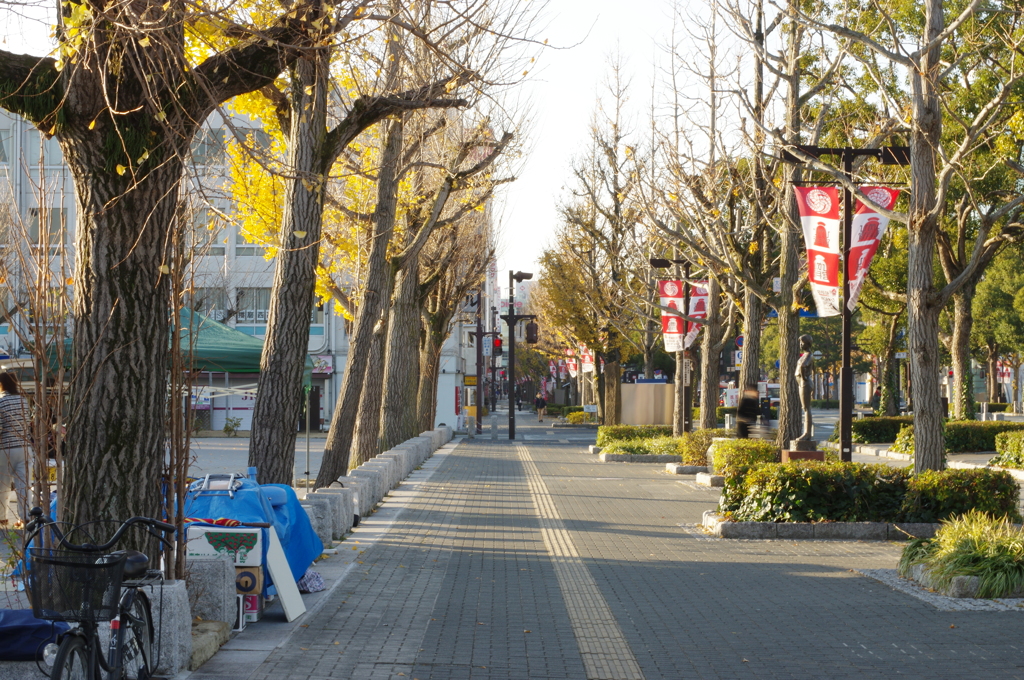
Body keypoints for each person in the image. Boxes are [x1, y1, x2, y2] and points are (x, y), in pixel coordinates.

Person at [0, 372, 30, 527]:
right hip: (24, 448)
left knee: (2, 485)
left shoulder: (1, 401)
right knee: (23, 485)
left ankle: (2, 518)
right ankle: (25, 518)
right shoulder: (24, 401)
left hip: (5, 448)